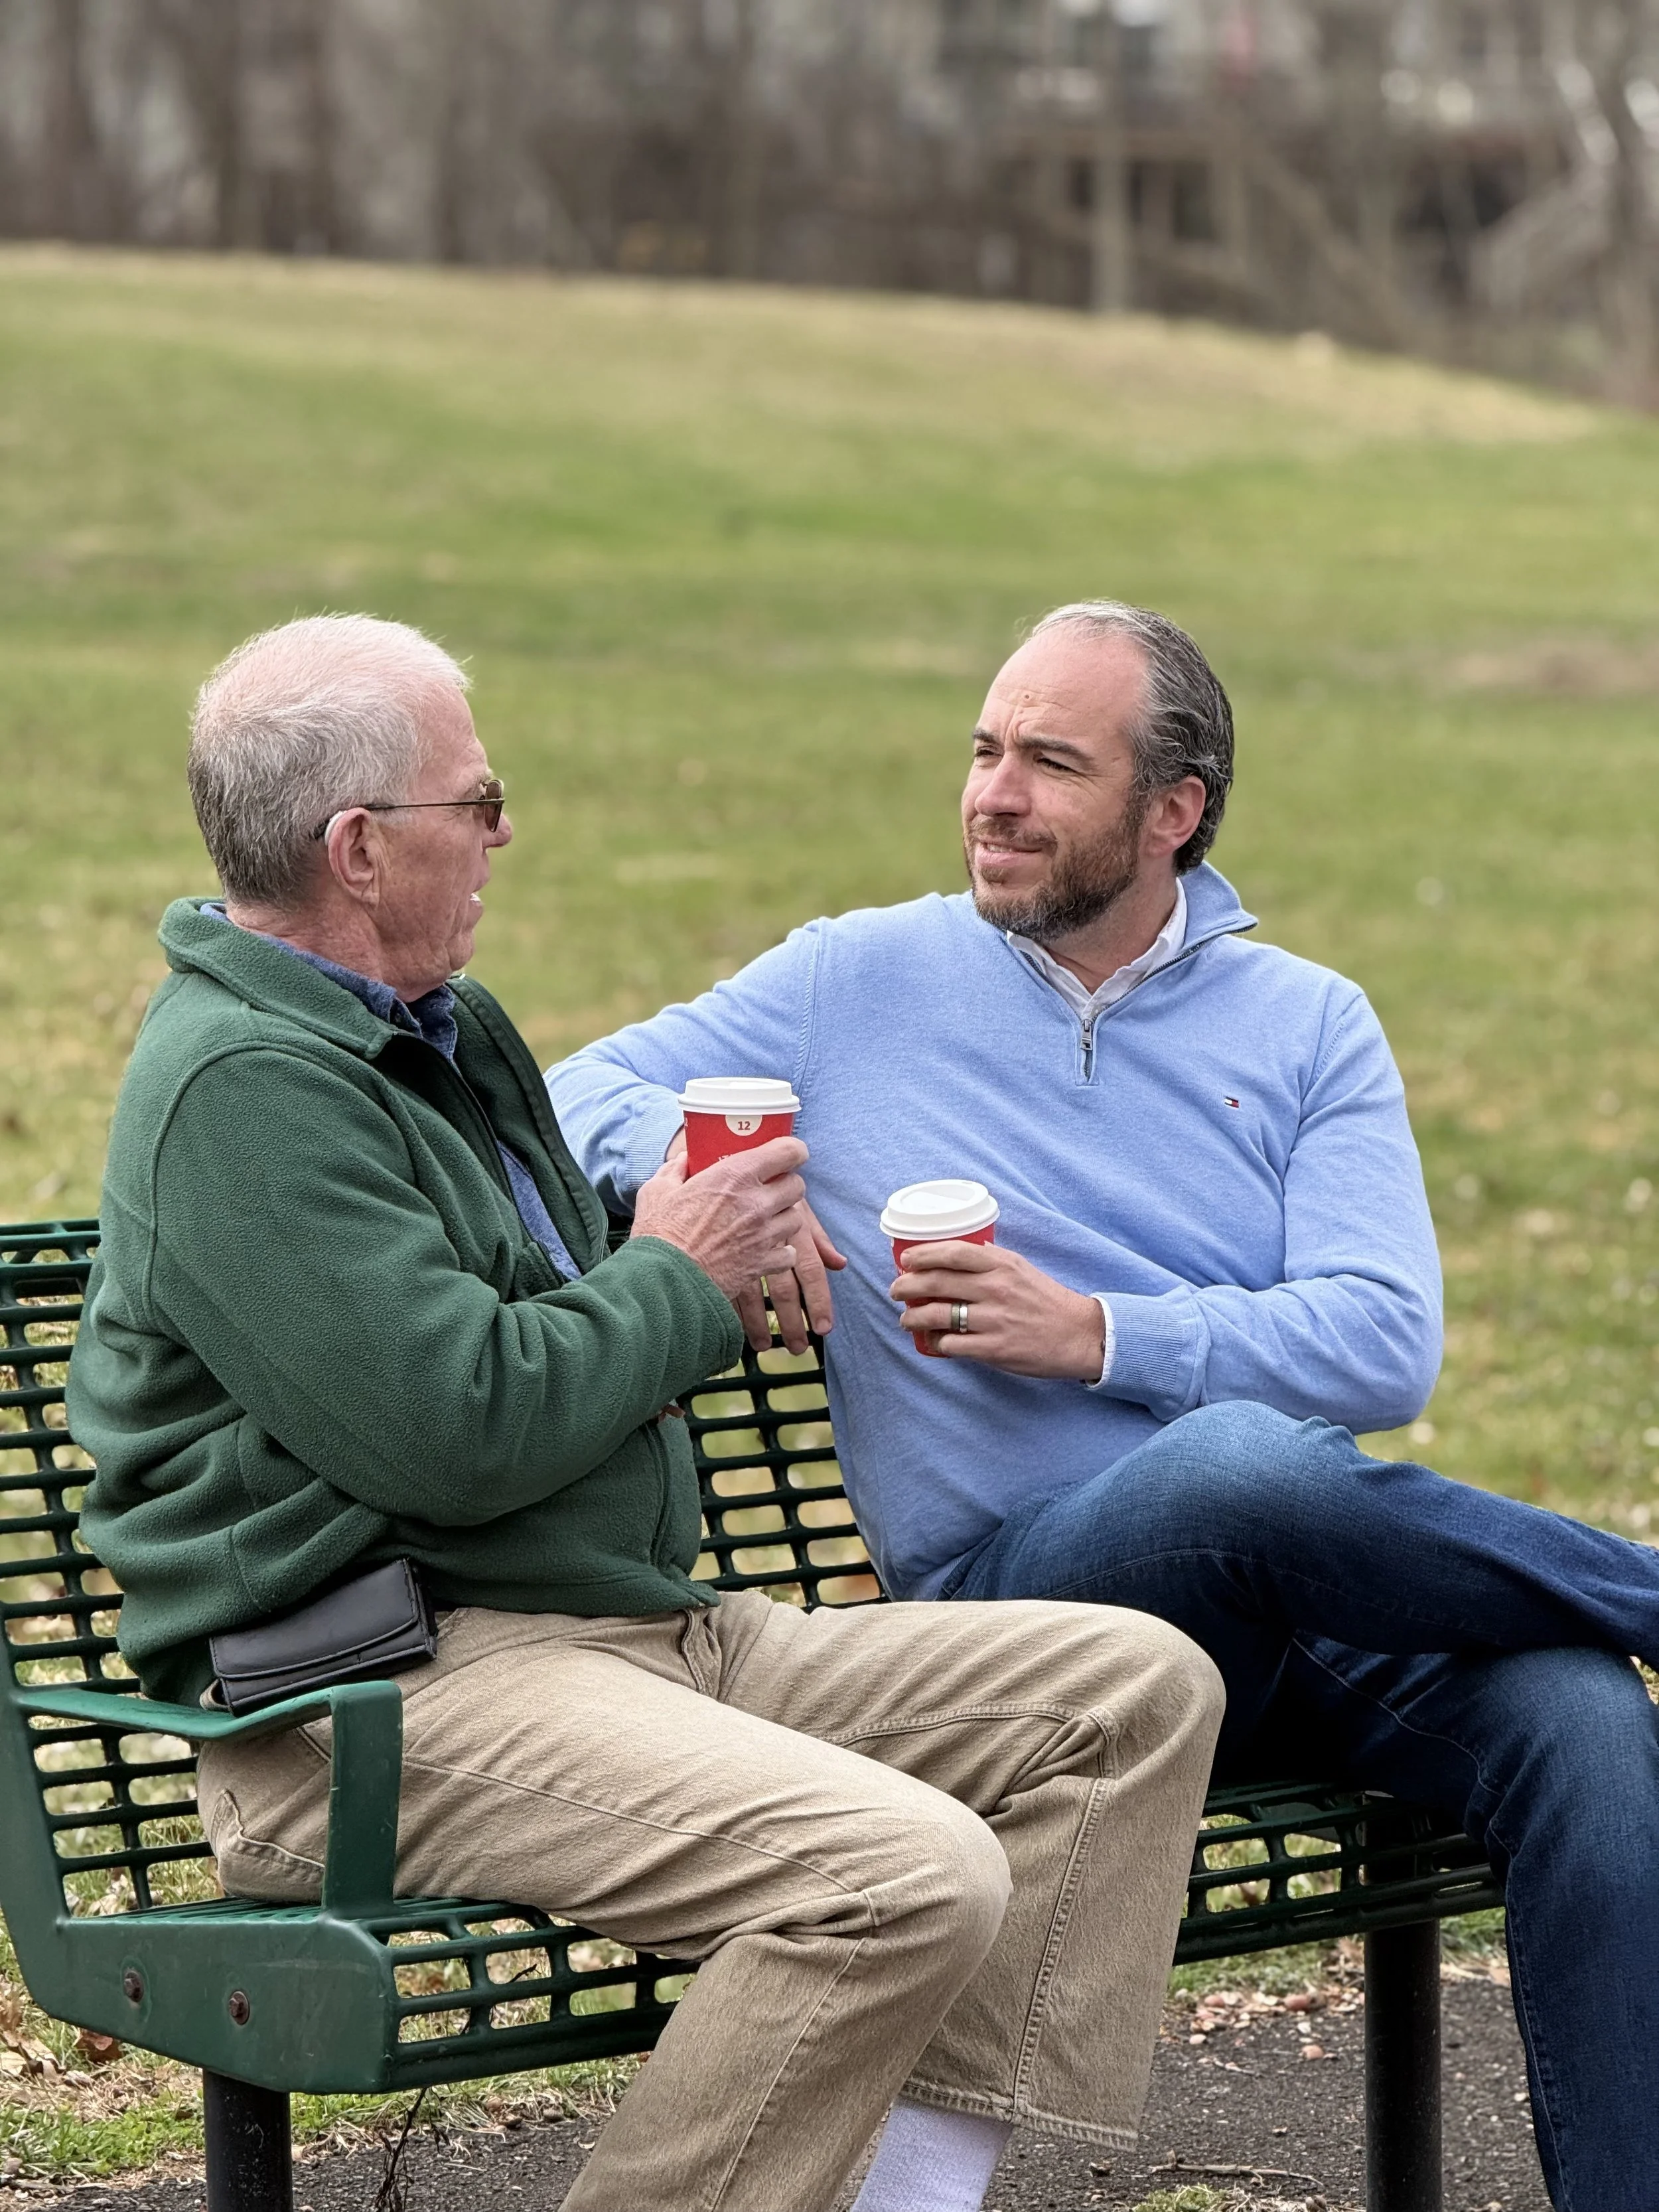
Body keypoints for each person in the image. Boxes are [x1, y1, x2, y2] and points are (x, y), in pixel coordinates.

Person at [66, 614, 1223, 2212]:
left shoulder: (440, 1035)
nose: (502, 830)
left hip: (625, 1636)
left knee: (1127, 1688)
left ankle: (907, 2196)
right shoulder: (241, 1089)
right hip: (381, 1697)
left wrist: (679, 1248)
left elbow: (540, 1315)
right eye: (473, 800)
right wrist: (676, 1277)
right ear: (357, 848)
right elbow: (450, 1428)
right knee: (894, 1871)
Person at [549, 598, 1659, 2212]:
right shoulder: (858, 978)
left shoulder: (1306, 1024)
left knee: (1582, 1721)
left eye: (1047, 762)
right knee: (1231, 1467)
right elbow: (578, 1082)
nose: (992, 793)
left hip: (1293, 1599)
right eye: (985, 749)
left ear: (1172, 811)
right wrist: (733, 1180)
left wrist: (1096, 1334)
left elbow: (1381, 1344)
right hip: (1018, 1619)